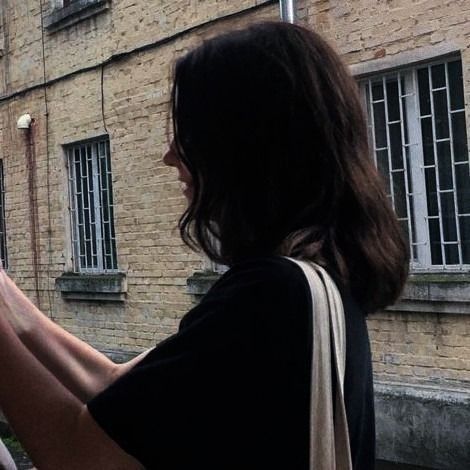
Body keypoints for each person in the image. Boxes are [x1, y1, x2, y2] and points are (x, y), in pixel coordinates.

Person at [0, 21, 408, 469]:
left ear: (243, 145)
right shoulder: (319, 284)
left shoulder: (271, 295)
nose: (171, 154)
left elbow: (78, 456)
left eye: (190, 131)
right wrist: (12, 308)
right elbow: (115, 386)